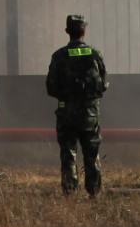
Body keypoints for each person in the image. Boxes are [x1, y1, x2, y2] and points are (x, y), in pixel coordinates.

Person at [45, 12, 107, 196]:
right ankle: (94, 193)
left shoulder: (59, 56)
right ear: (84, 31)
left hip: (67, 114)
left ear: (67, 31)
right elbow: (103, 85)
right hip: (90, 113)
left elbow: (51, 87)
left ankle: (70, 192)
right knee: (92, 153)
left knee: (68, 153)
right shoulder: (95, 55)